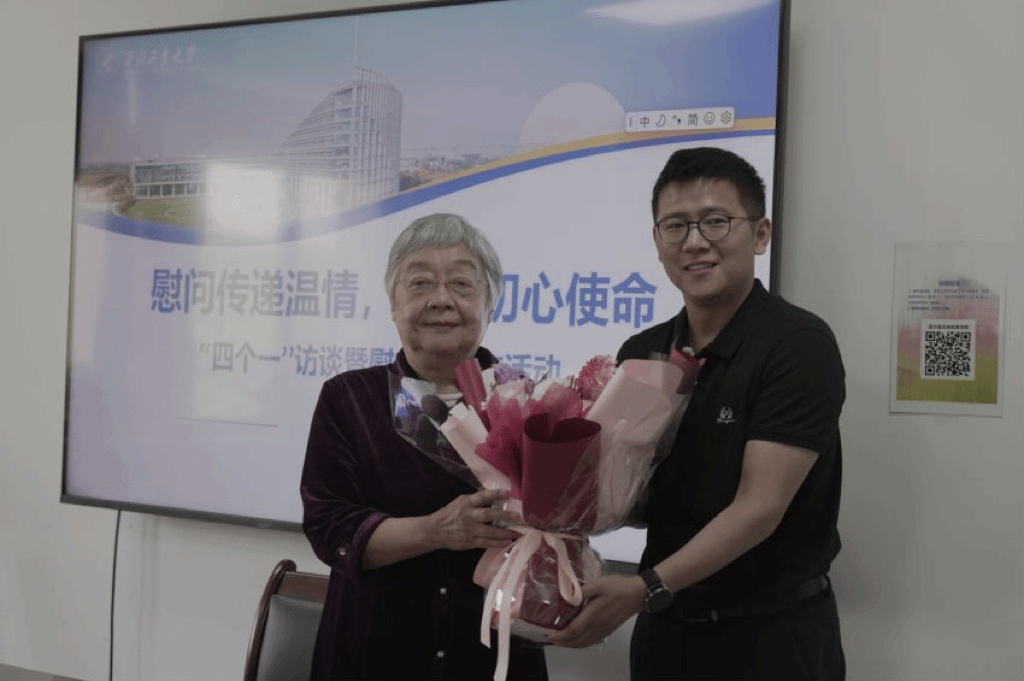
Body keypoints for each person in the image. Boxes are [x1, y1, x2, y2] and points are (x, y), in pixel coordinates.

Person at [548, 147, 846, 680]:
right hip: (666, 634)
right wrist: (555, 503)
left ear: (760, 234)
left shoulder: (797, 346)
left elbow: (759, 507)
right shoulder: (644, 353)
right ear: (657, 241)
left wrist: (644, 588)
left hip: (769, 638)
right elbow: (640, 496)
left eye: (715, 221)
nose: (694, 242)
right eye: (675, 226)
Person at [300, 213, 548, 680]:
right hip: (375, 652)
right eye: (420, 283)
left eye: (461, 284)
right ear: (393, 305)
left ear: (491, 304)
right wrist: (437, 531)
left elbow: (558, 524)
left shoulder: (528, 399)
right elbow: (328, 527)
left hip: (494, 656)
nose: (441, 299)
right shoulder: (350, 399)